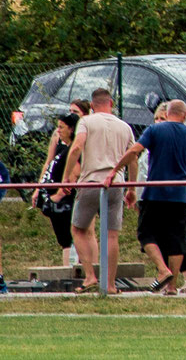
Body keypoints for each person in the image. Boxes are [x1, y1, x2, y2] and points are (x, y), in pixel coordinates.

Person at [62, 86, 137, 293]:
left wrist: (67, 177)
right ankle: (110, 284)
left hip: (92, 180)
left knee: (78, 229)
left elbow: (76, 147)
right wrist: (131, 189)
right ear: (111, 103)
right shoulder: (125, 126)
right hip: (116, 184)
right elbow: (133, 157)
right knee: (111, 235)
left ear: (92, 106)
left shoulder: (86, 121)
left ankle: (90, 277)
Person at [126, 98, 186, 293]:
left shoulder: (154, 132)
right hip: (178, 195)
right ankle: (171, 285)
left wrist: (126, 181)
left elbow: (135, 152)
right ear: (184, 115)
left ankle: (163, 270)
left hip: (156, 193)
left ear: (168, 114)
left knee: (146, 232)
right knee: (176, 238)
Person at [34, 113, 78, 266]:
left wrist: (58, 195)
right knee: (64, 240)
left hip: (65, 201)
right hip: (54, 196)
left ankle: (70, 270)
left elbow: (74, 174)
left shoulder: (73, 150)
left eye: (61, 127)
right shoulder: (64, 148)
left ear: (71, 129)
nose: (58, 131)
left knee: (68, 239)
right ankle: (68, 268)